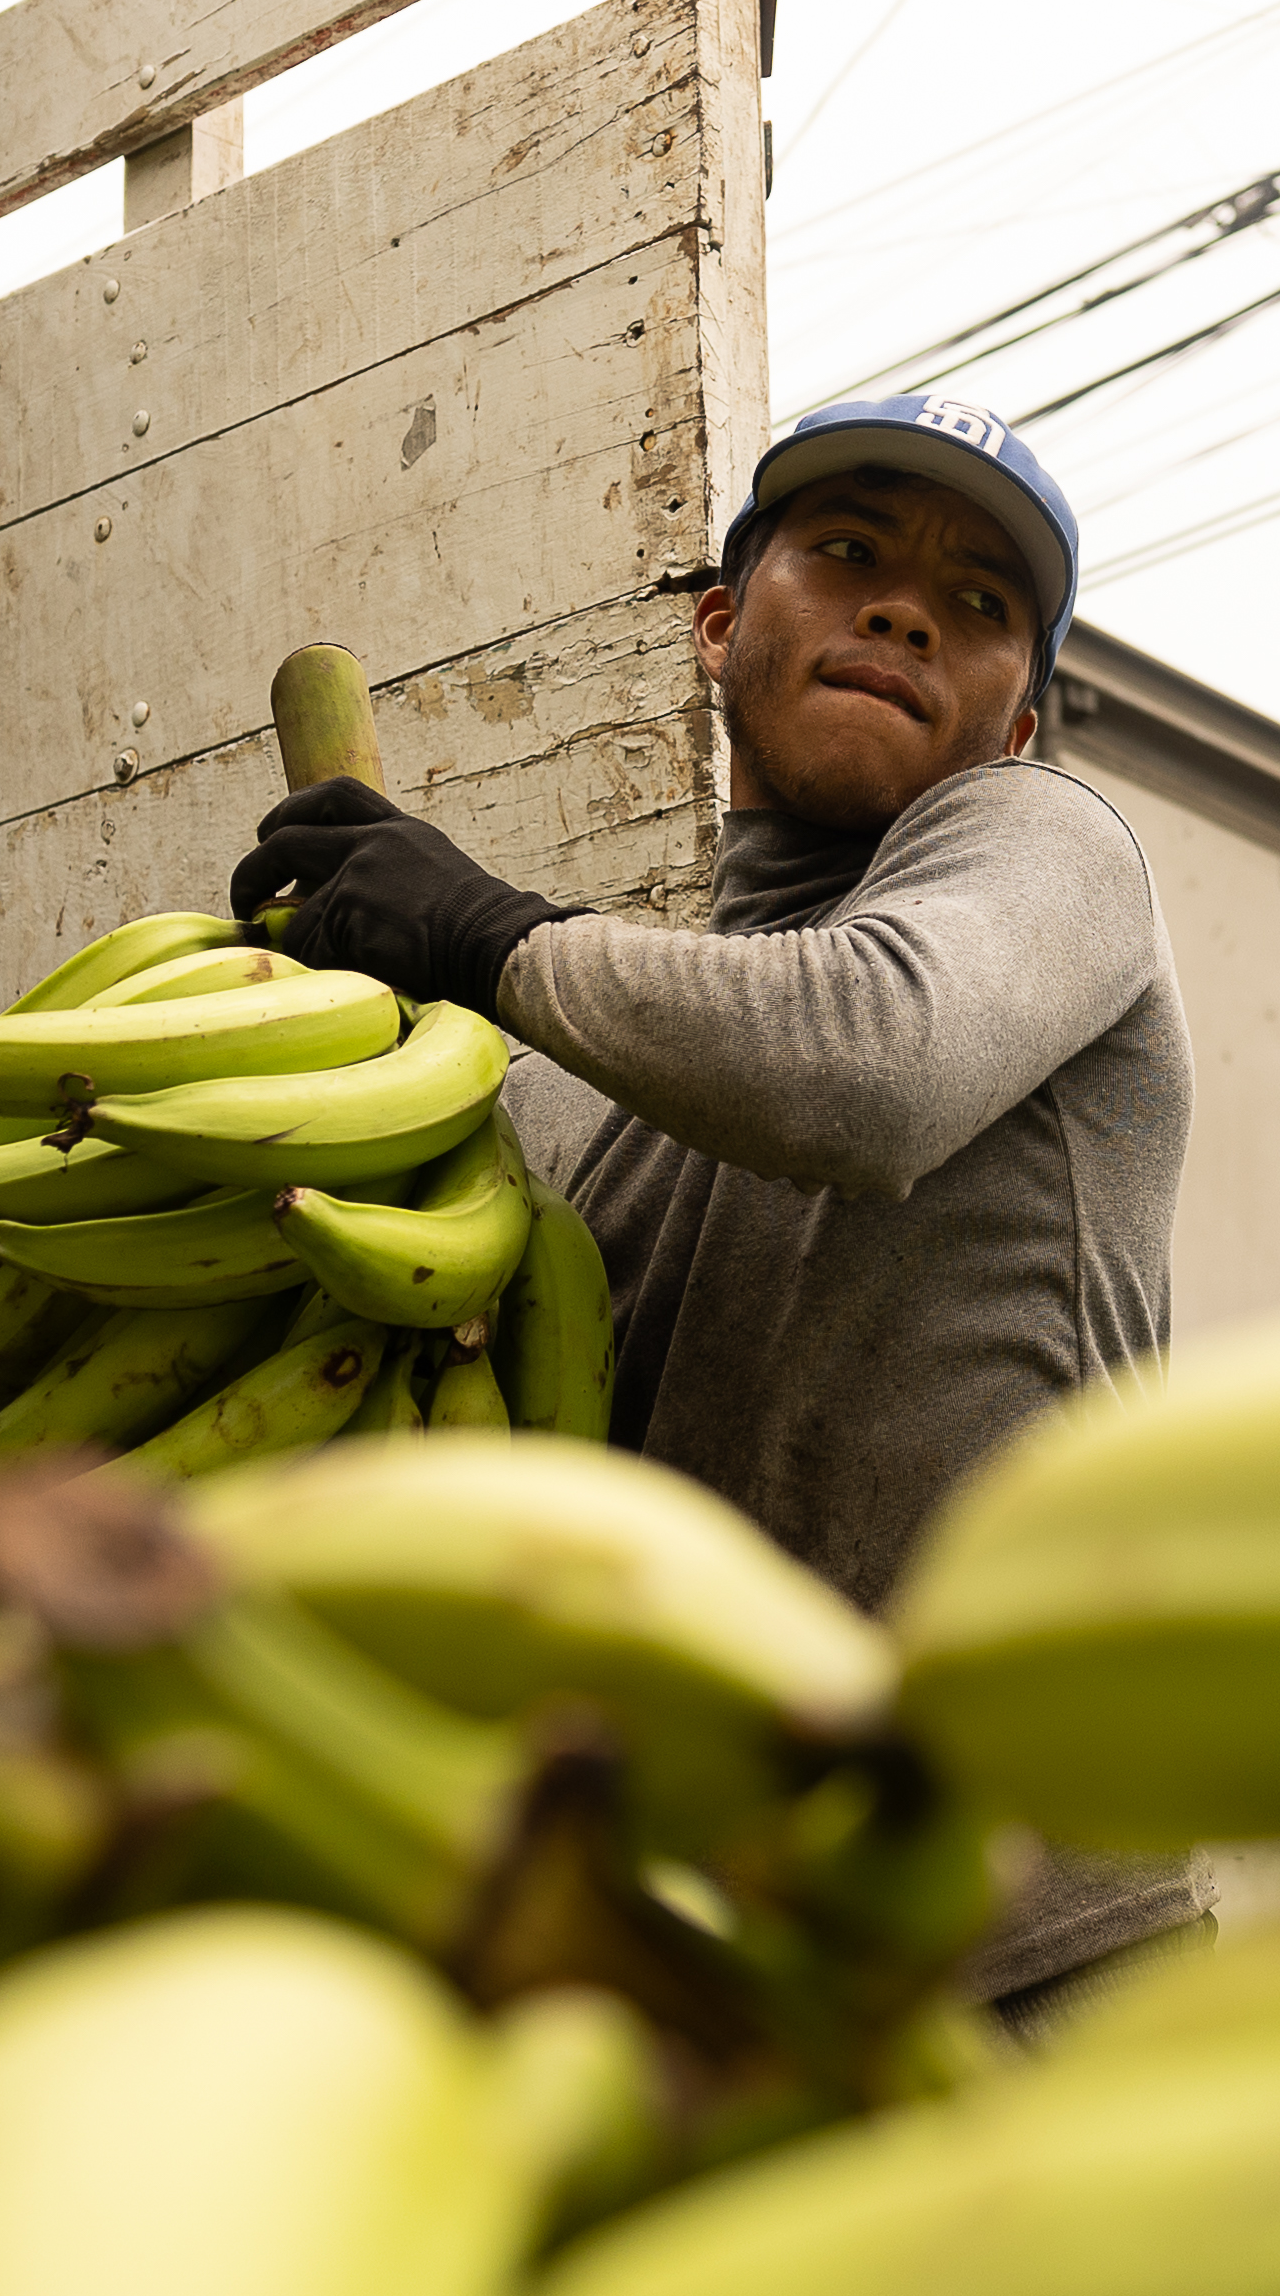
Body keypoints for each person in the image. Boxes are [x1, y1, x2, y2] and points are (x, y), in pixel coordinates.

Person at [230, 393, 1199, 2011]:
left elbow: (875, 1064)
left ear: (1019, 720)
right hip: (708, 1978)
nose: (908, 606)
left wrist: (482, 931)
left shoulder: (1055, 855)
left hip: (1038, 1956)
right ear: (718, 620)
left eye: (981, 603)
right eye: (848, 551)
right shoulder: (577, 1081)